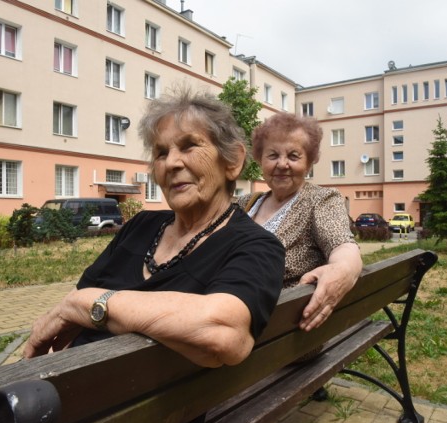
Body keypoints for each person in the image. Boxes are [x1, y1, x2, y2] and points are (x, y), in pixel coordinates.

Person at [23, 89, 285, 370]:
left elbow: (223, 332)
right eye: (161, 152)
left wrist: (86, 303)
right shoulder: (141, 225)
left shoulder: (256, 246)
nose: (171, 163)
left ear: (232, 161)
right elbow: (74, 321)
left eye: (188, 146)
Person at [237, 112, 362, 333]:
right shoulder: (244, 203)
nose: (282, 164)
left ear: (309, 163)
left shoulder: (320, 200)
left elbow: (341, 243)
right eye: (273, 155)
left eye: (294, 156)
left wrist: (344, 269)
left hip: (280, 332)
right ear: (260, 159)